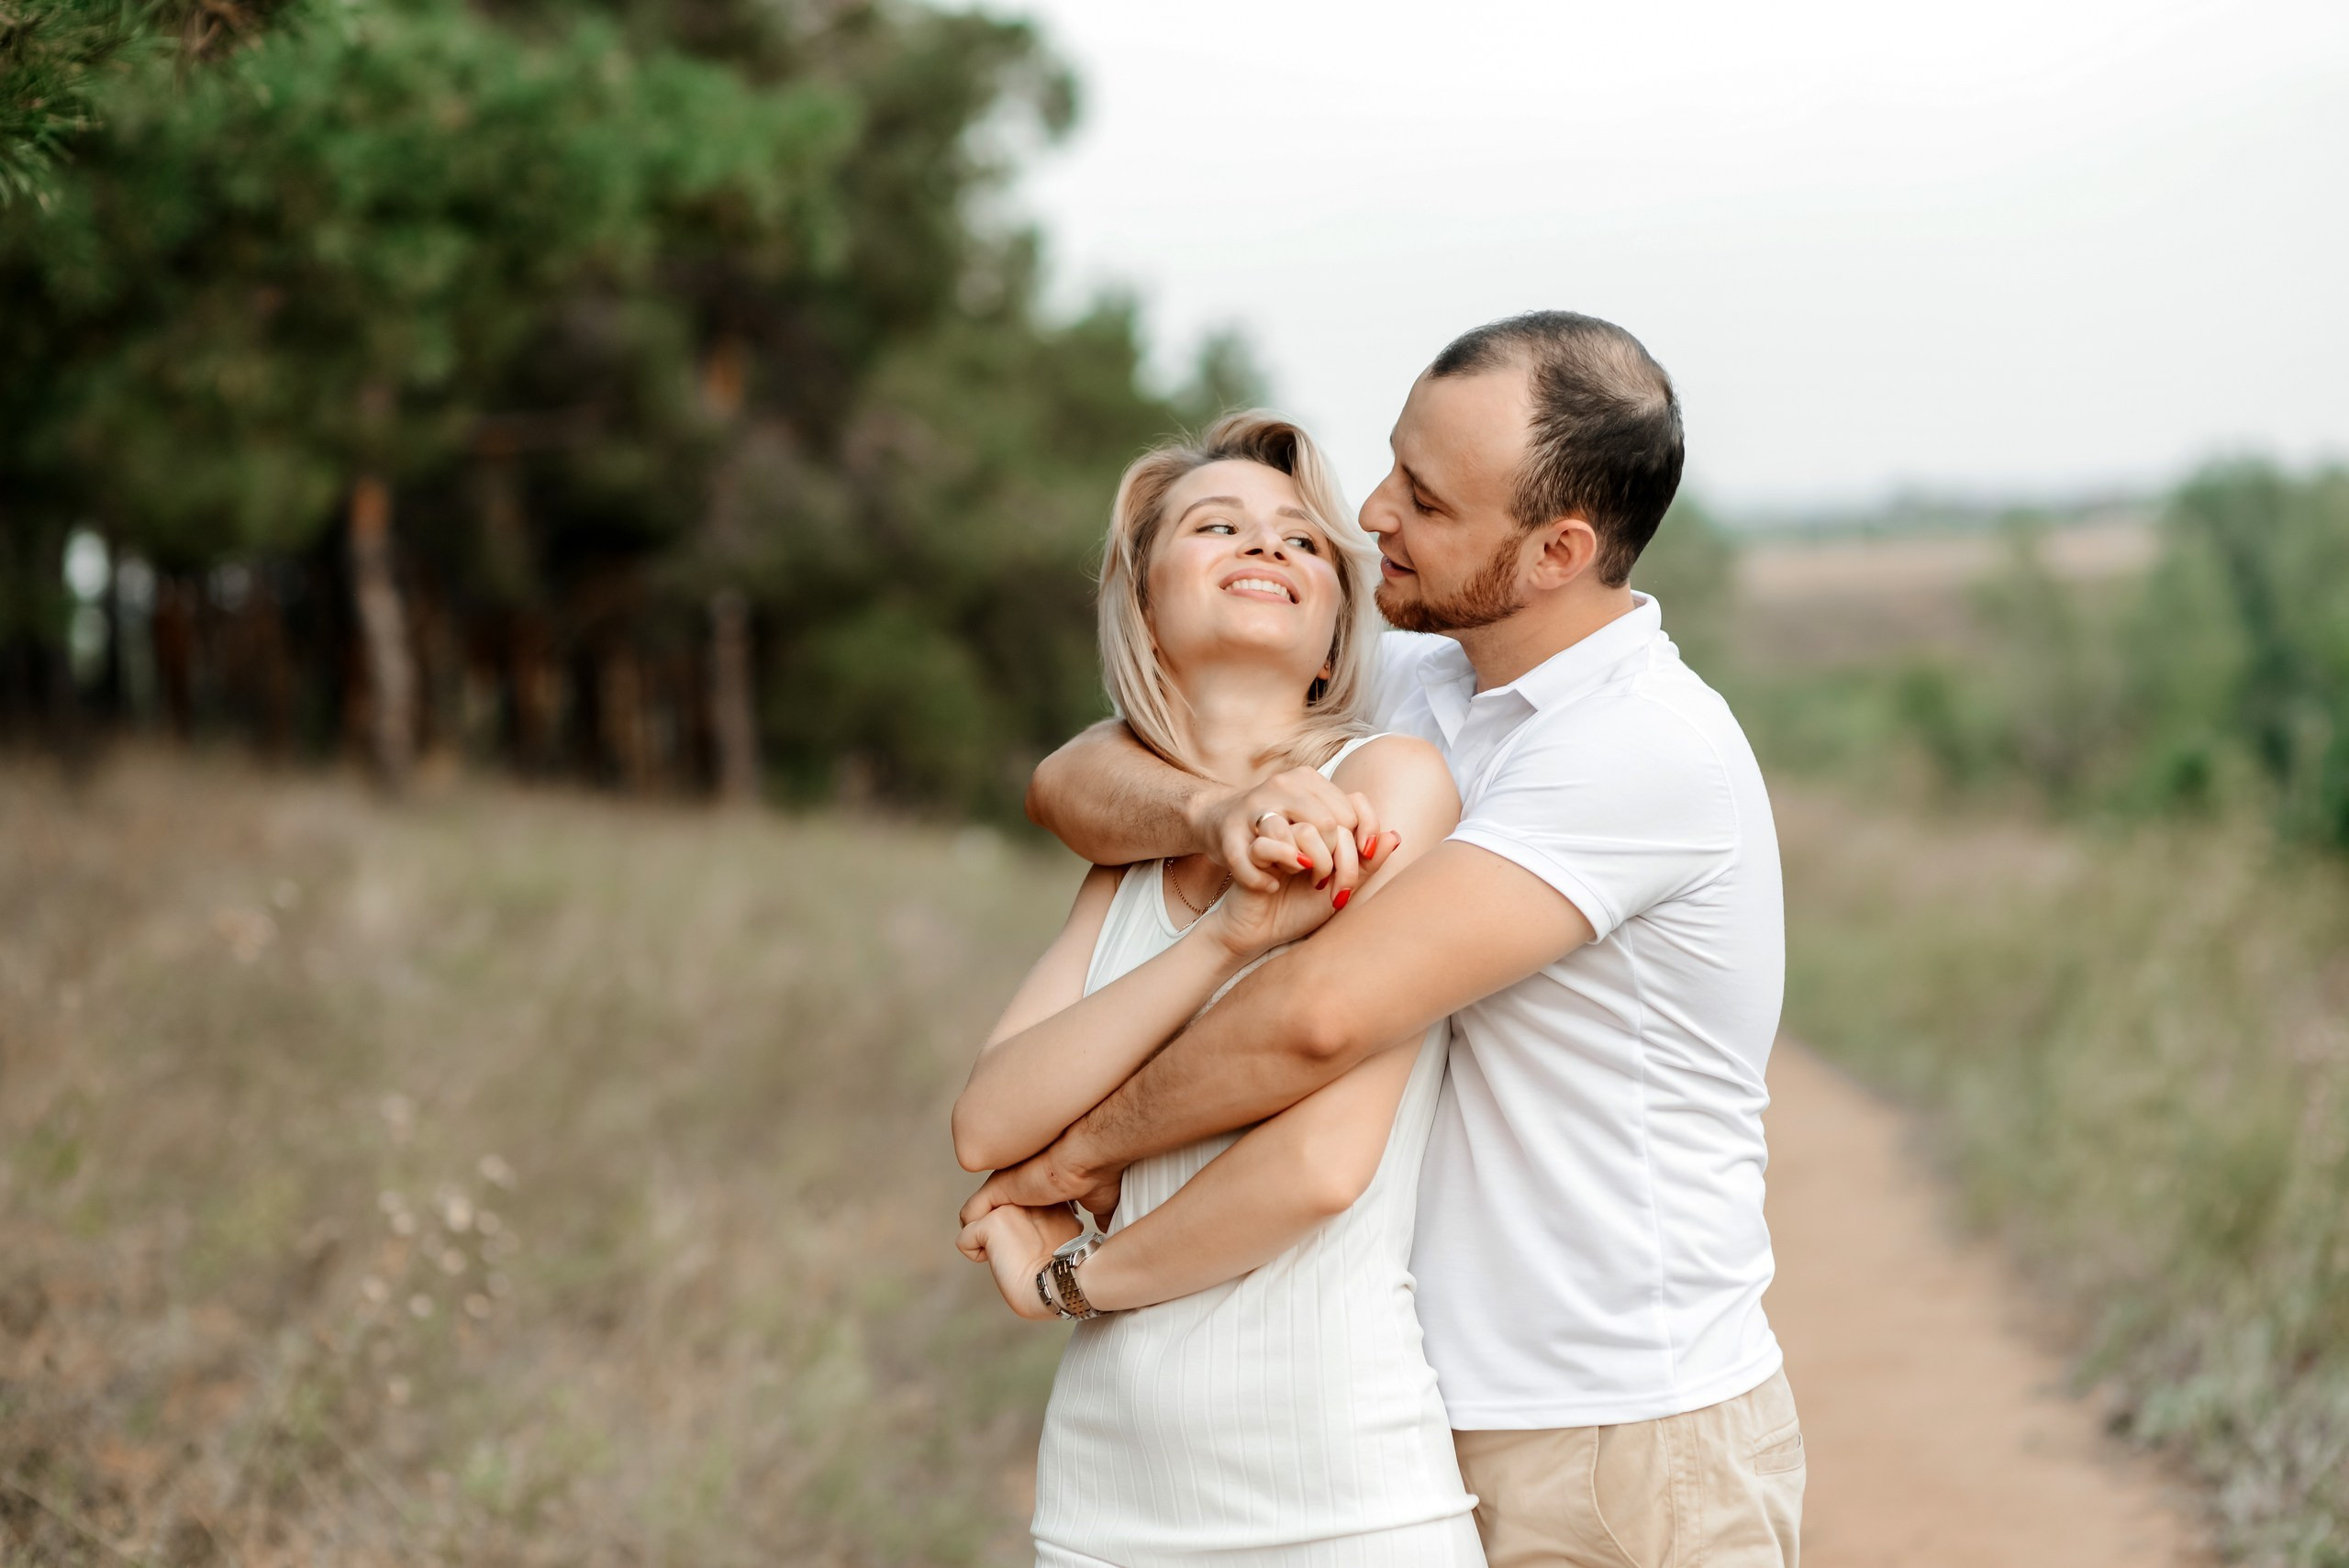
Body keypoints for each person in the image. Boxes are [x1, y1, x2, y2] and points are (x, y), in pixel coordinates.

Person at [972, 312, 1805, 1567]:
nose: (1368, 512)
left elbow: (1318, 1015)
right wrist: (1212, 806)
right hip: (1422, 1403)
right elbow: (1076, 777)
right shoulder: (1422, 682)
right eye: (1390, 464)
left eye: (1423, 496)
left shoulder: (1641, 750)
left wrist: (1070, 1160)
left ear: (1554, 551)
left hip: (1621, 1437)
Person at [952, 411, 1487, 1565]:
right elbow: (986, 1123)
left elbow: (1318, 1164)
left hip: (1336, 1498)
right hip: (1103, 1500)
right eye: (1216, 523)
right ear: (1145, 600)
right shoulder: (1130, 856)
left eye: (1304, 541)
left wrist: (1067, 1283)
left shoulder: (1388, 786)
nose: (1269, 544)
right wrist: (1225, 934)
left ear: (1337, 632)